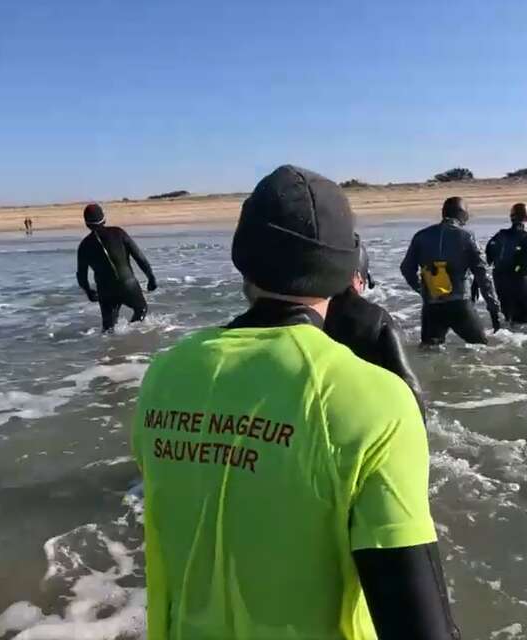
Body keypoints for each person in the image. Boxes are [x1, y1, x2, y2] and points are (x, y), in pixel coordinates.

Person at [132, 165, 460, 640]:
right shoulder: (378, 401)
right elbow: (419, 625)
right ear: (349, 266)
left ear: (243, 258)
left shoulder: (164, 374)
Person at [324, 236, 425, 417]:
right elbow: (409, 383)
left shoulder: (312, 315)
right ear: (358, 277)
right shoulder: (378, 318)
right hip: (368, 416)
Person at [400, 197, 500, 346]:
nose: (468, 217)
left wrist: (423, 289)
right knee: (481, 348)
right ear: (461, 214)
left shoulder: (421, 236)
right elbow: (482, 274)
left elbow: (406, 268)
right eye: (467, 213)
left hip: (432, 306)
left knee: (429, 352)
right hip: (459, 304)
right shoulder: (467, 237)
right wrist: (493, 308)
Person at [76, 203, 157, 332]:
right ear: (104, 219)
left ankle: (111, 349)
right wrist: (151, 277)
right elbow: (140, 258)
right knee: (141, 309)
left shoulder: (84, 246)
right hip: (128, 285)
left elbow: (81, 276)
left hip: (105, 291)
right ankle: (133, 335)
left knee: (108, 329)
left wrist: (89, 291)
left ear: (86, 224)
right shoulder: (118, 233)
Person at [486, 203, 527, 324]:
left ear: (511, 218)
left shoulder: (498, 236)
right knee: (524, 326)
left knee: (508, 321)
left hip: (501, 286)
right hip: (522, 285)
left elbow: (488, 259)